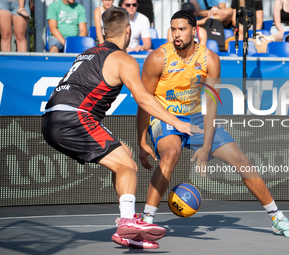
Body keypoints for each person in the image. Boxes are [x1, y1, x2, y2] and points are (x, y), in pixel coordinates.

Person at [136, 10, 289, 245]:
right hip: (165, 117)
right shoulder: (157, 58)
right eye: (173, 29)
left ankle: (277, 218)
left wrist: (206, 146)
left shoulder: (210, 59)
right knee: (171, 154)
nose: (176, 34)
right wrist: (142, 141)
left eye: (182, 29)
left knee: (241, 160)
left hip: (195, 118)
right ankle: (146, 220)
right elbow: (145, 102)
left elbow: (211, 104)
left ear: (195, 31)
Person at [41, 6, 202, 250]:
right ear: (128, 31)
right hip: (74, 118)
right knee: (127, 165)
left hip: (50, 119)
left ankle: (128, 232)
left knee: (124, 157)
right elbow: (144, 99)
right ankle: (127, 221)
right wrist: (178, 122)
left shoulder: (87, 53)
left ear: (104, 31)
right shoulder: (123, 59)